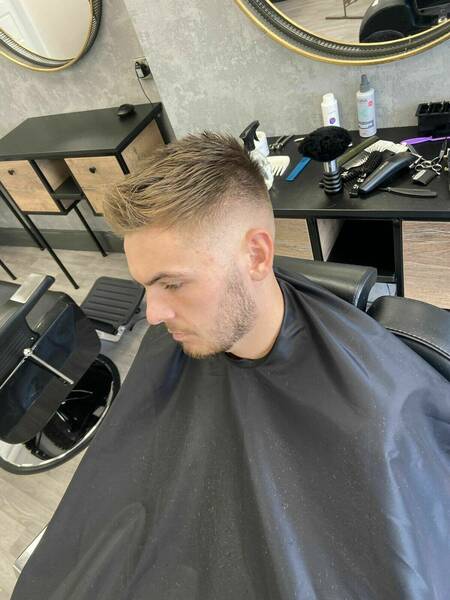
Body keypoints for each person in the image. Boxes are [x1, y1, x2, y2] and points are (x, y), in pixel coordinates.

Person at [12, 133, 450, 600]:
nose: (153, 314)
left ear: (257, 256)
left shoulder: (379, 414)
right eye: (145, 286)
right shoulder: (177, 340)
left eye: (172, 284)